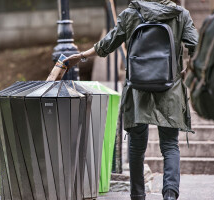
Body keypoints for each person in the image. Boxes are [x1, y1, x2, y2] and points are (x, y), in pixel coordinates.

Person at [64, 0, 198, 200]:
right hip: (170, 88)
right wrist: (188, 70)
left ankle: (137, 195)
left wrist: (81, 55)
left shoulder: (131, 13)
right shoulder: (180, 14)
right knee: (170, 146)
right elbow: (195, 45)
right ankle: (170, 195)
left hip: (137, 90)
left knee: (136, 147)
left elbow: (107, 44)